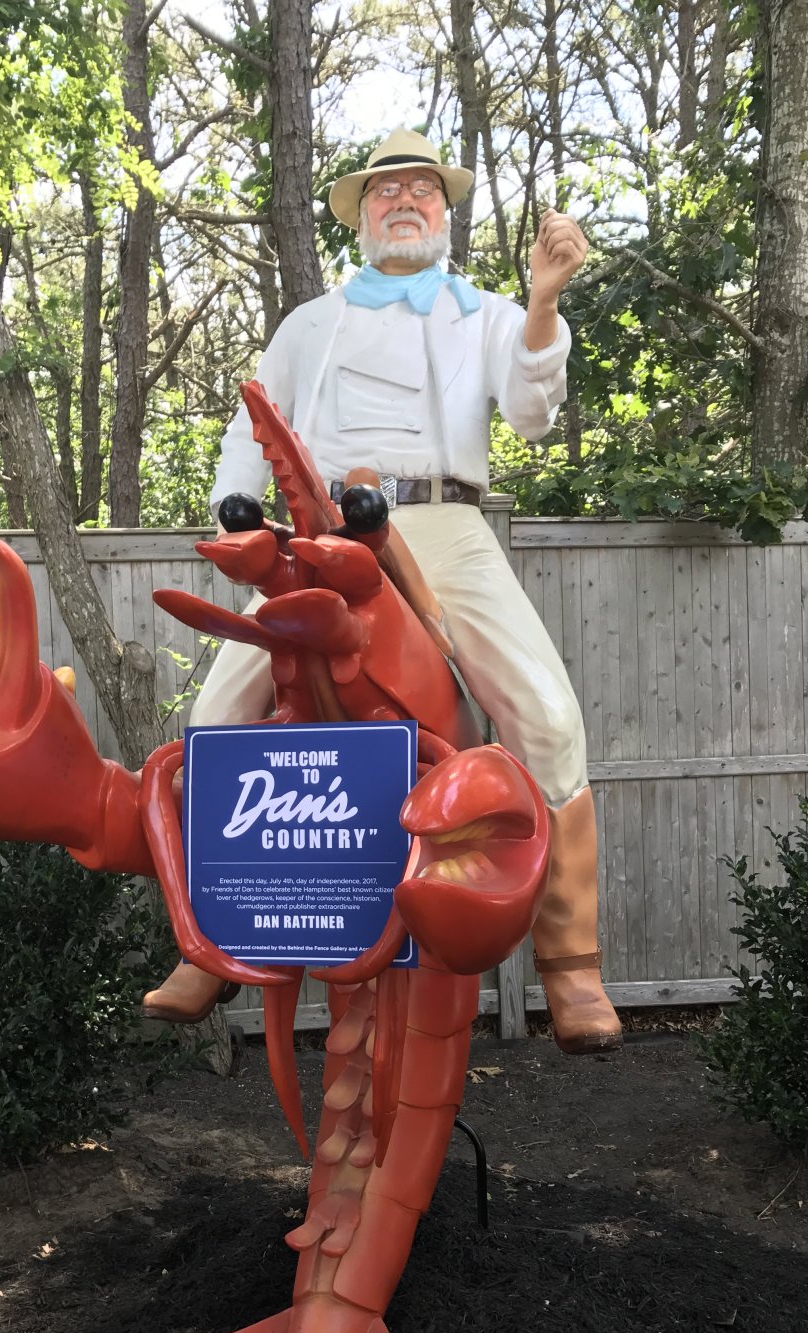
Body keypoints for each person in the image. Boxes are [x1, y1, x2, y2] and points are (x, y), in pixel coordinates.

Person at [143, 127, 621, 1055]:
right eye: (386, 191)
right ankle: (211, 936)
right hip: (319, 531)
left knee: (550, 717)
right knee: (217, 713)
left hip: (443, 524)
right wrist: (238, 518)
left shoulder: (483, 312)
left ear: (446, 209)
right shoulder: (308, 324)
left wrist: (543, 304)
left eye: (423, 190)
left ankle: (572, 961)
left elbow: (529, 414)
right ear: (360, 213)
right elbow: (252, 429)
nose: (405, 202)